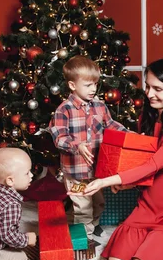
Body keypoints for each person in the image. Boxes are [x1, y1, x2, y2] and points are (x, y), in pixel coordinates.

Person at [70, 58, 163, 260]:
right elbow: (142, 164)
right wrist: (125, 183)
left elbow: (154, 165)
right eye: (148, 86)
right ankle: (152, 243)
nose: (150, 94)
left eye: (158, 89)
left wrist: (104, 181)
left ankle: (161, 245)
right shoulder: (147, 118)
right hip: (148, 206)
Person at [50, 55, 127, 239]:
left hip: (97, 169)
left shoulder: (100, 106)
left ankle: (94, 224)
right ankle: (84, 237)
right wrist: (77, 145)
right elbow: (59, 137)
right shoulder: (64, 109)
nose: (93, 89)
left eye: (95, 84)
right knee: (82, 207)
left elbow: (111, 125)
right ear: (72, 85)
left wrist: (128, 134)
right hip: (75, 171)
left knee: (98, 202)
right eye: (88, 85)